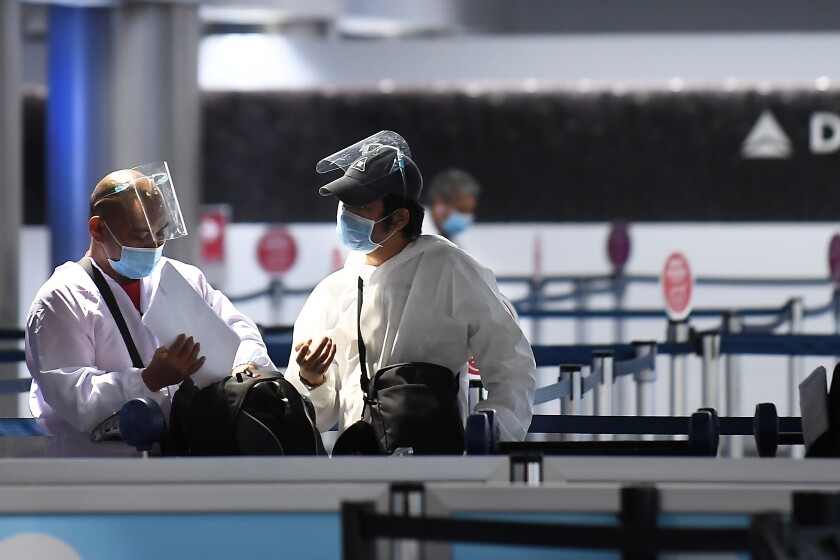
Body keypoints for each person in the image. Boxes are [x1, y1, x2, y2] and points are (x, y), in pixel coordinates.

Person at [286, 133, 536, 444]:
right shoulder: (333, 292)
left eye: (360, 205)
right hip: (359, 464)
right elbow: (320, 417)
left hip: (437, 467)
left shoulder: (450, 270)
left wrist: (486, 438)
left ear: (400, 218)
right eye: (344, 204)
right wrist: (311, 378)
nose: (346, 213)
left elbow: (513, 368)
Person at [25, 163, 275, 457]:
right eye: (140, 236)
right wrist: (149, 380)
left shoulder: (181, 278)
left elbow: (240, 331)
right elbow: (75, 398)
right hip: (95, 471)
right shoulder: (60, 299)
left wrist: (243, 368)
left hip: (181, 459)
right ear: (97, 229)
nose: (154, 246)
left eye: (160, 234)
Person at [422, 168, 481, 242]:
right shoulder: (411, 235)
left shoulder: (451, 239)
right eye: (462, 210)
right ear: (439, 203)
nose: (467, 217)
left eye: (470, 210)